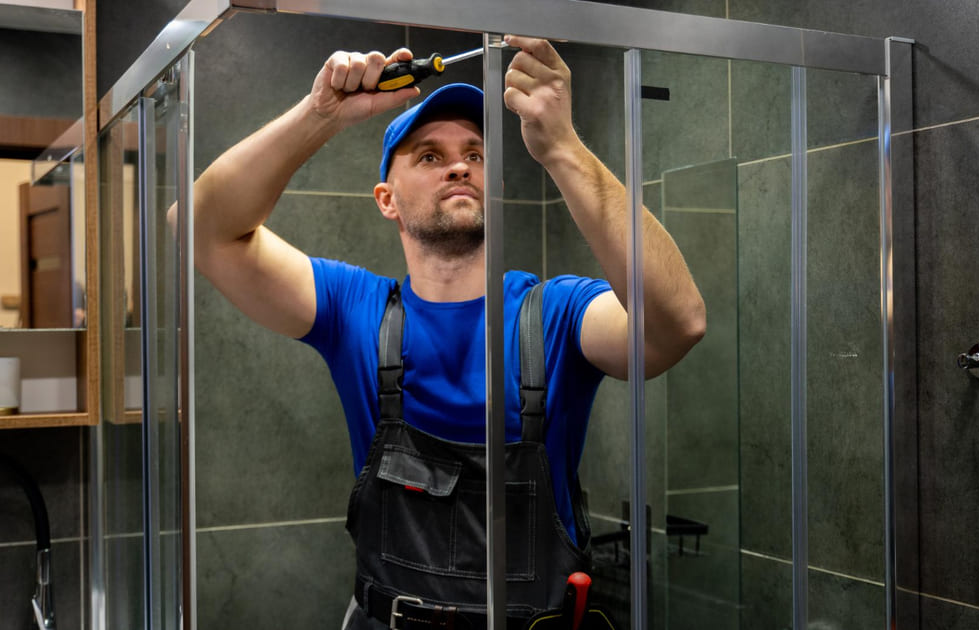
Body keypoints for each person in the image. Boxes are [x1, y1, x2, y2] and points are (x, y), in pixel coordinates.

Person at [193, 36, 706, 630]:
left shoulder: (557, 314)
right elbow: (204, 227)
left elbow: (677, 323)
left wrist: (562, 147)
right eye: (429, 157)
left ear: (499, 189)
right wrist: (320, 116)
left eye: (476, 154)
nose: (460, 164)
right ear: (386, 199)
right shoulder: (355, 309)